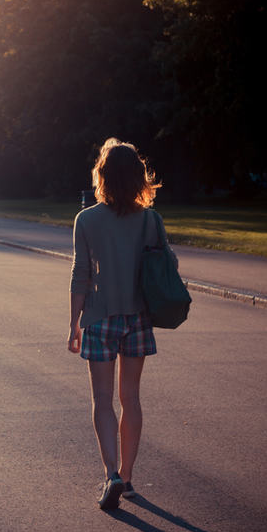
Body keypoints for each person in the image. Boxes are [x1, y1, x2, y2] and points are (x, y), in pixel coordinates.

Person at [68, 137, 178, 510]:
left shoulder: (86, 219)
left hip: (99, 319)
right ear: (138, 177)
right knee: (130, 398)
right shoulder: (151, 220)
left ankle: (111, 474)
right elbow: (167, 267)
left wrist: (73, 324)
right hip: (138, 320)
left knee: (102, 400)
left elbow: (81, 273)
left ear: (102, 176)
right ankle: (128, 479)